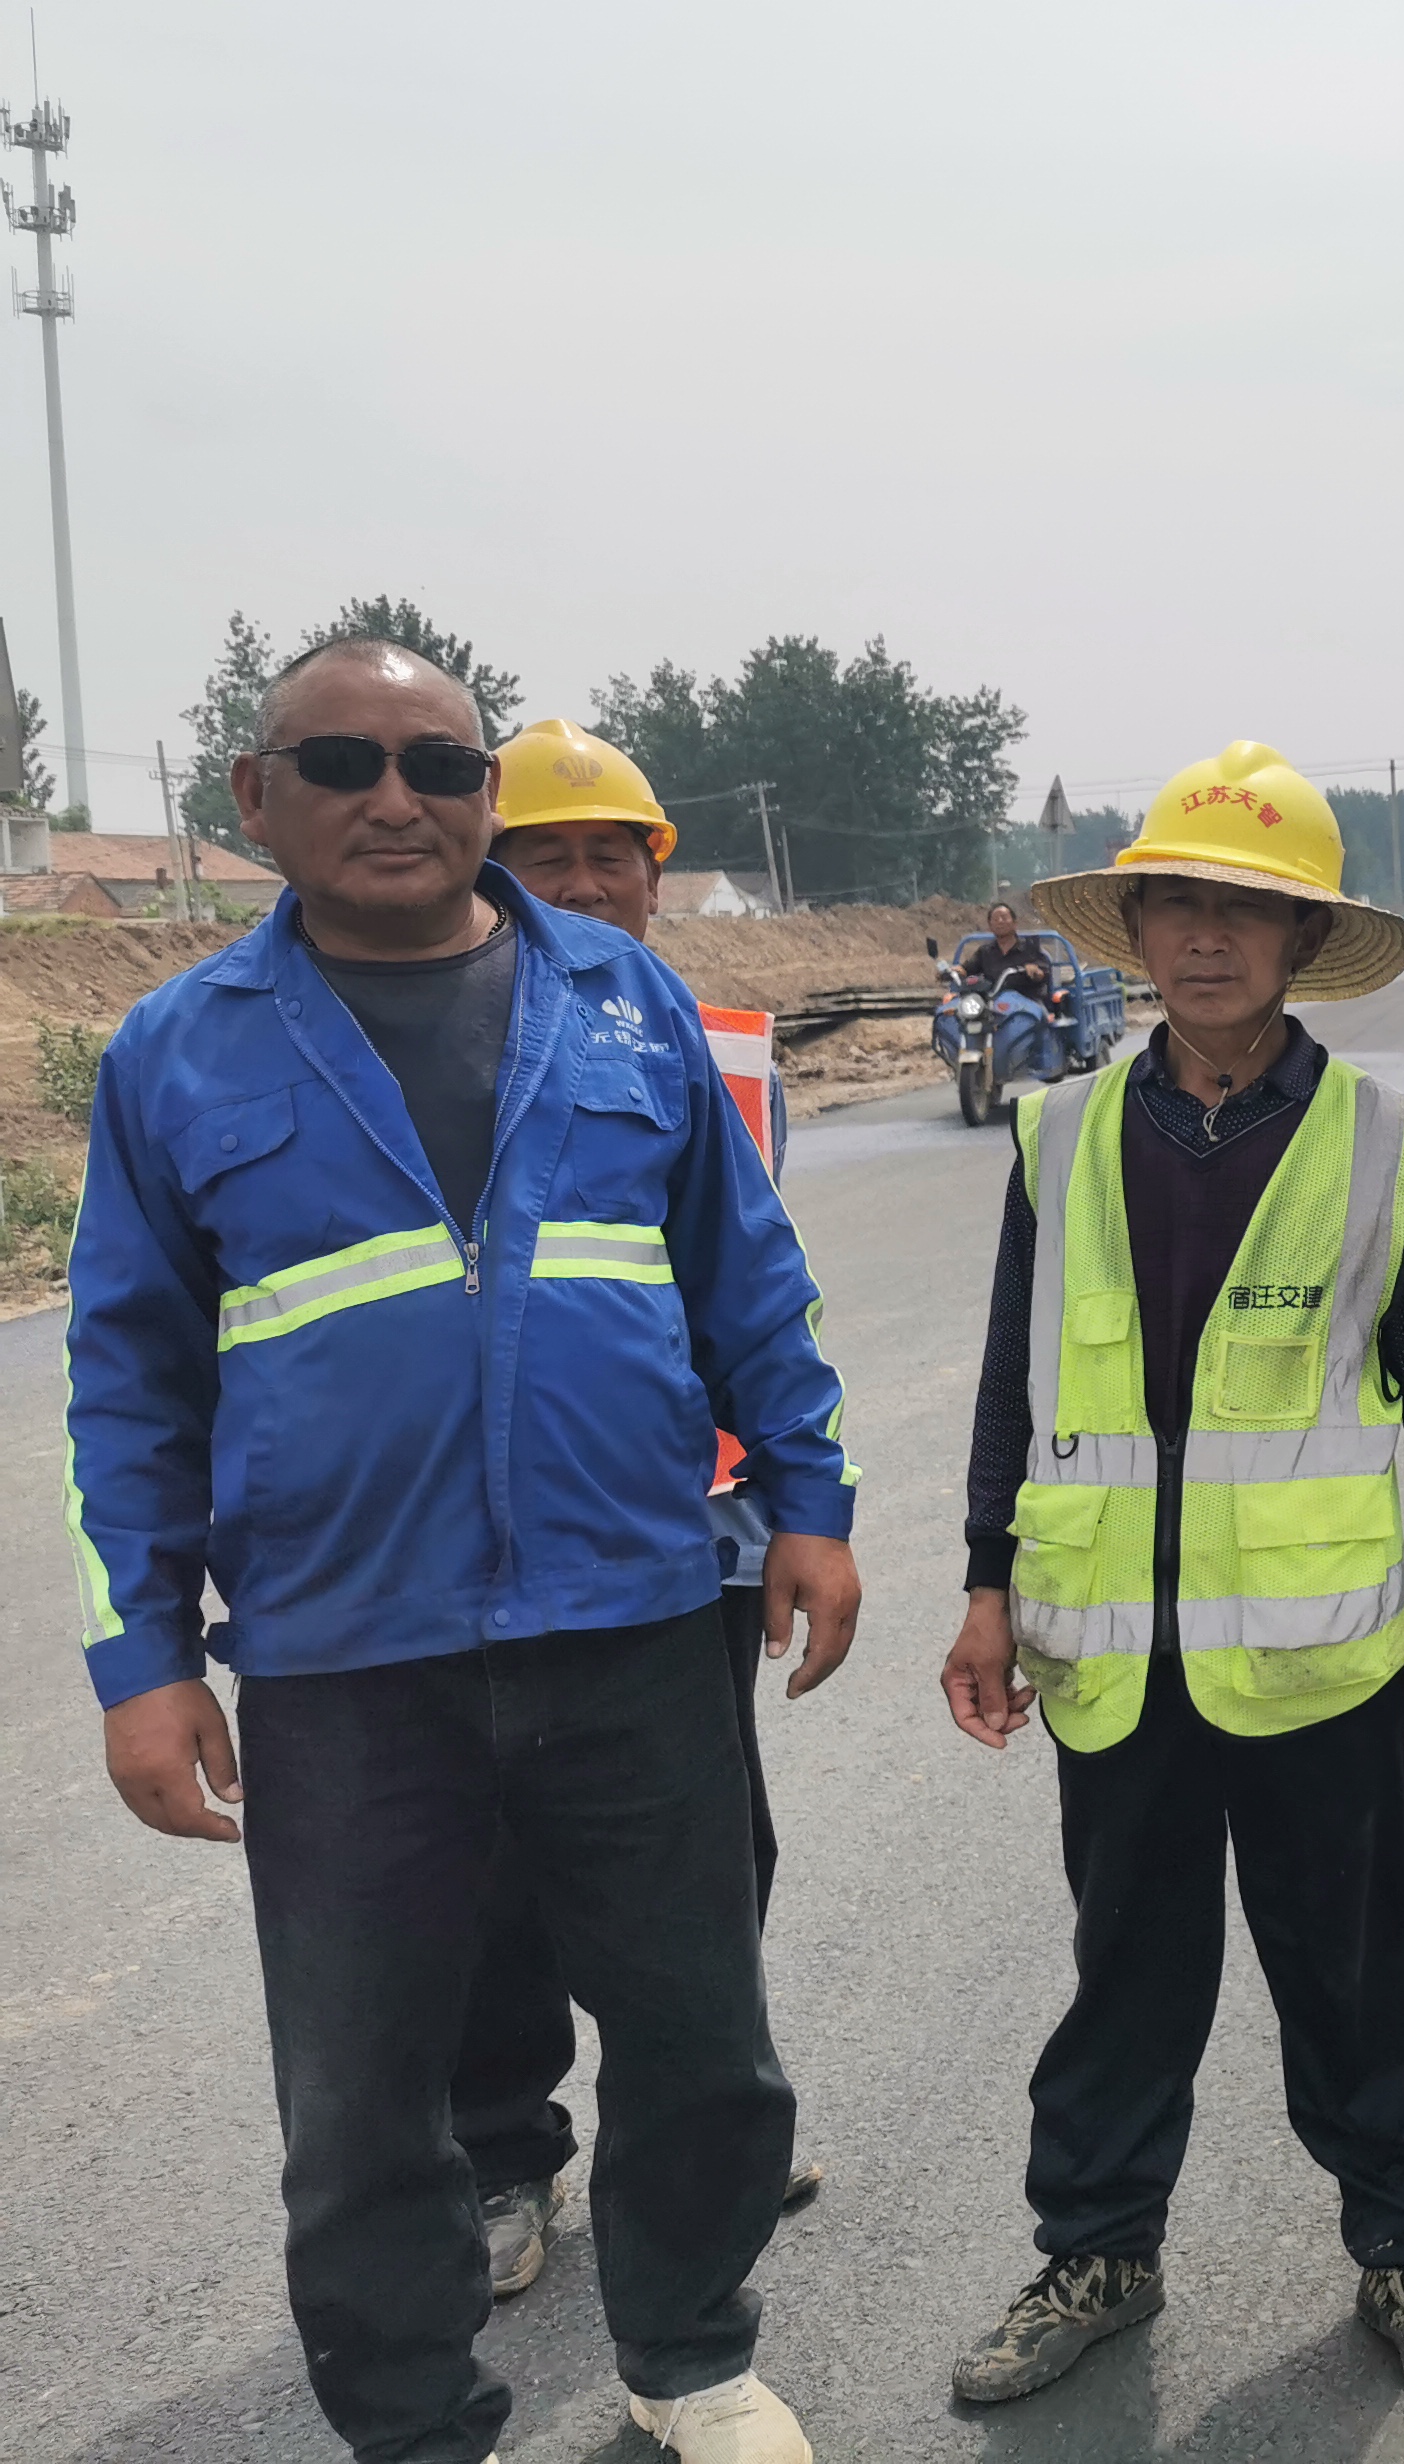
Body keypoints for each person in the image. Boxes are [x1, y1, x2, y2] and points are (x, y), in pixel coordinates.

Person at [66, 640, 860, 2464]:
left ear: (487, 795)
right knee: (361, 2100)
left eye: (437, 763)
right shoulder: (177, 1051)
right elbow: (126, 1385)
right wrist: (143, 1661)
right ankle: (419, 2424)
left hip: (633, 1615)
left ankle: (689, 2357)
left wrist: (810, 1500)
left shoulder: (623, 1000)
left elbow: (748, 1277)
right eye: (341, 761)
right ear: (256, 798)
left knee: (701, 2038)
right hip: (347, 1661)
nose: (393, 797)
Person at [937, 743, 1404, 2407]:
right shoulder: (1057, 1136)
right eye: (1179, 903)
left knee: (1351, 1975)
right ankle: (1098, 2253)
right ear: (1134, 928)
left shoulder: (1384, 1140)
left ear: (1299, 938)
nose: (1206, 936)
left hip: (1314, 1650)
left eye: (1246, 909)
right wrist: (985, 1585)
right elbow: (1013, 1379)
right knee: (1125, 1973)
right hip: (1114, 1646)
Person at [458, 718, 827, 2299]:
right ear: (489, 873)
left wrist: (803, 1494)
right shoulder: (444, 1037)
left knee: (705, 1846)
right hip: (501, 1534)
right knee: (498, 1866)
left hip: (702, 1527)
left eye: (612, 855)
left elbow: (761, 1282)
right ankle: (502, 2150)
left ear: (657, 876)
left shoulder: (721, 1044)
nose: (585, 883)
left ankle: (692, 2124)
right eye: (546, 857)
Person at [962, 901, 1057, 1007]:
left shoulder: (1030, 948)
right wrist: (955, 971)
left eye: (1004, 917)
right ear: (990, 926)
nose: (1000, 921)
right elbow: (967, 969)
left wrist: (1035, 971)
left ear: (1014, 923)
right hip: (993, 1003)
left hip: (1029, 1003)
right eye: (995, 919)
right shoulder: (985, 951)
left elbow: (1042, 973)